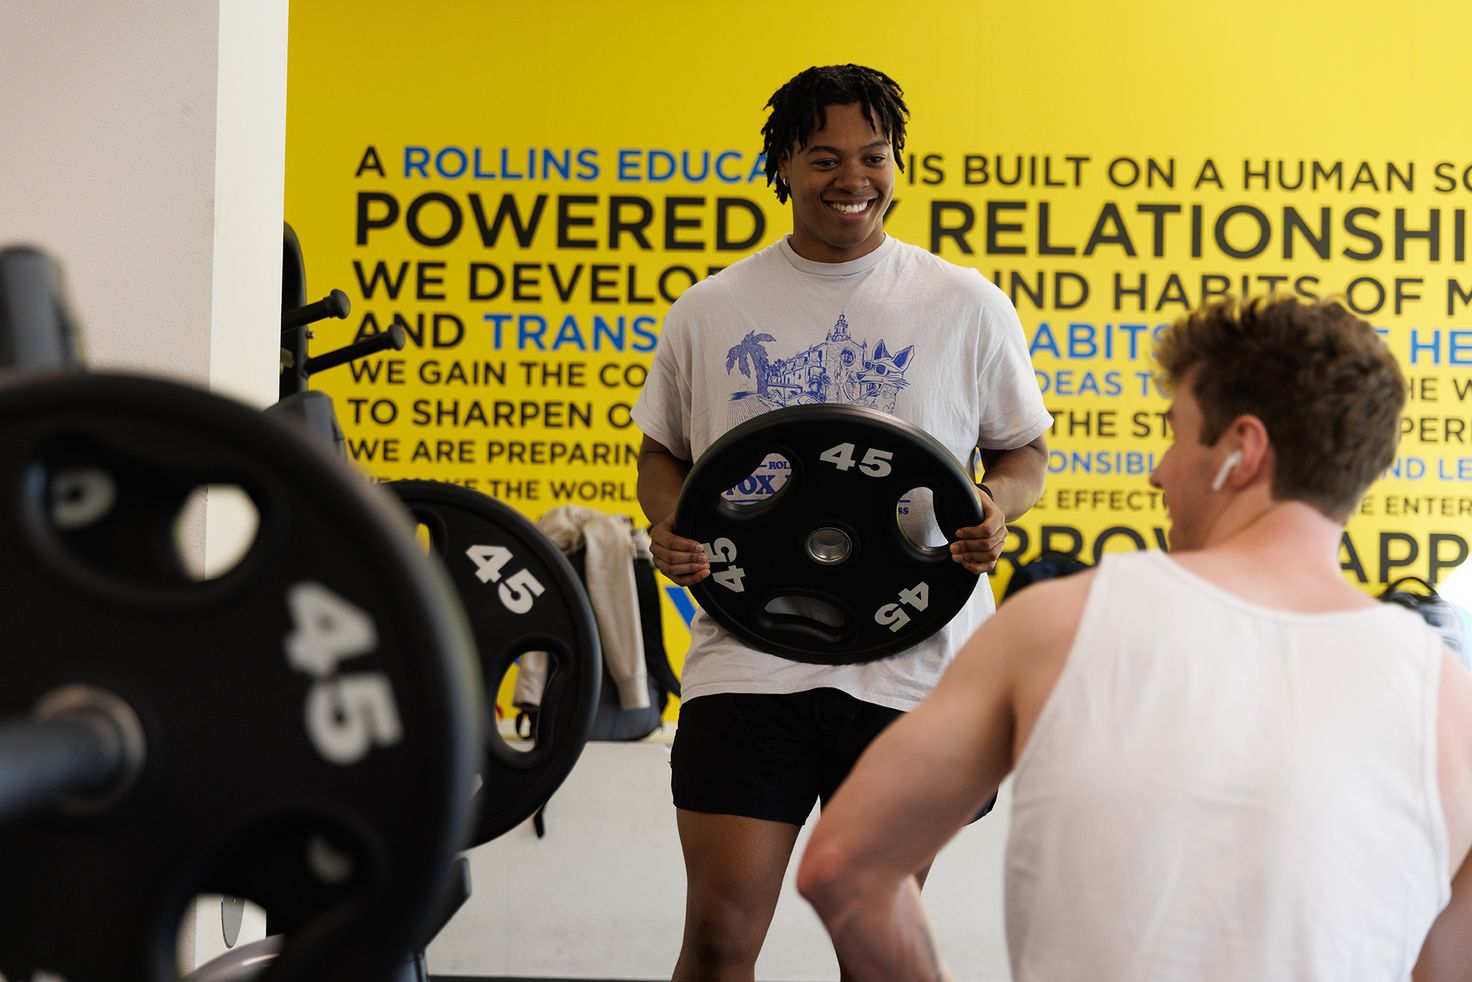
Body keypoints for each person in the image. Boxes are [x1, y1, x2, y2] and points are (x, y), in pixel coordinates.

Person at [796, 295, 1472, 981]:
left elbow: (842, 866)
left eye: (1177, 435)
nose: (1156, 471)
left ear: (1240, 451)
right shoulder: (1449, 702)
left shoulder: (1057, 626)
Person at [630, 64, 1052, 979]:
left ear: (898, 162)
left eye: (872, 155)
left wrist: (996, 508)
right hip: (749, 658)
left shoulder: (965, 304)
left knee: (873, 947)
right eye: (823, 158)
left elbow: (1022, 454)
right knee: (716, 943)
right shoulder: (713, 307)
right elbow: (662, 454)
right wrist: (671, 525)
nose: (851, 178)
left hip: (916, 665)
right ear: (783, 164)